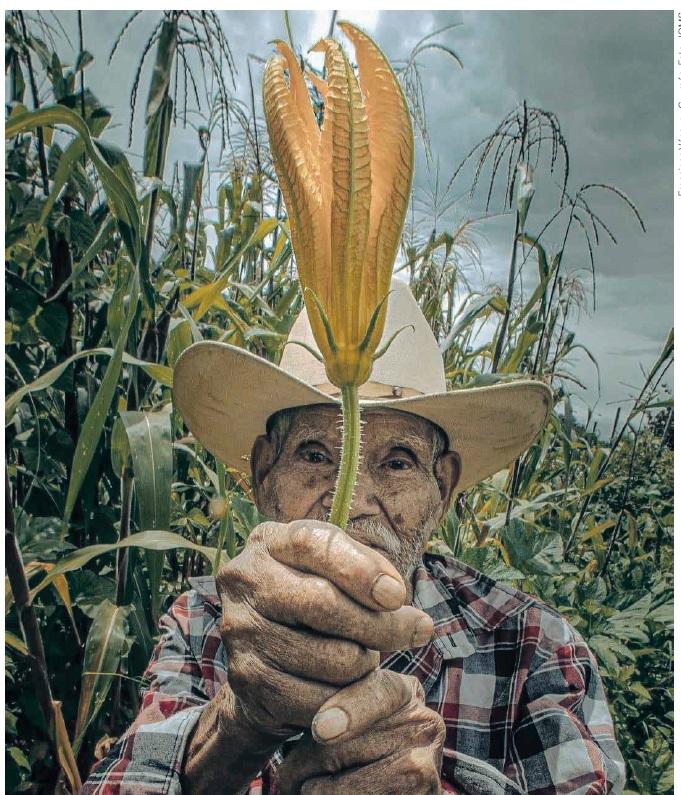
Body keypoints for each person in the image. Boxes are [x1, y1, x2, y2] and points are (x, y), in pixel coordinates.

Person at [82, 281, 625, 794]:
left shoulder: (534, 645)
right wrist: (240, 723)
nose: (356, 501)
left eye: (397, 462)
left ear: (442, 486)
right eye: (316, 455)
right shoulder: (202, 619)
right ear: (265, 475)